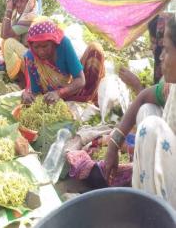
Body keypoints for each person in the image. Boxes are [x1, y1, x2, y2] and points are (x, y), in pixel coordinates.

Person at [105, 15, 176, 207]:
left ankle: (159, 213)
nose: (160, 56)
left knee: (151, 128)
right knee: (147, 110)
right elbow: (144, 96)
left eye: (166, 50)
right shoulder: (171, 88)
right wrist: (114, 144)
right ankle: (149, 201)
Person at [22, 21, 105, 105]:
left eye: (45, 46)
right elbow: (35, 92)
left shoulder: (64, 44)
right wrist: (27, 94)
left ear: (53, 43)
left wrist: (59, 93)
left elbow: (80, 80)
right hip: (48, 98)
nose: (41, 52)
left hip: (68, 91)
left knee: (95, 49)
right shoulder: (31, 58)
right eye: (36, 47)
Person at [118, 12, 174, 94]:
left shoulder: (170, 82)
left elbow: (160, 106)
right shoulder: (165, 78)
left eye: (154, 42)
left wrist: (136, 85)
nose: (150, 47)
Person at [0, 0, 42, 83]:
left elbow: (5, 34)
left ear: (29, 2)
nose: (18, 4)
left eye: (22, 1)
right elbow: (3, 34)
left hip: (37, 62)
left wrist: (9, 10)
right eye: (16, 1)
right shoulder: (22, 17)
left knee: (9, 42)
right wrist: (11, 10)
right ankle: (20, 77)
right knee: (4, 42)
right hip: (29, 57)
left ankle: (21, 81)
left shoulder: (31, 17)